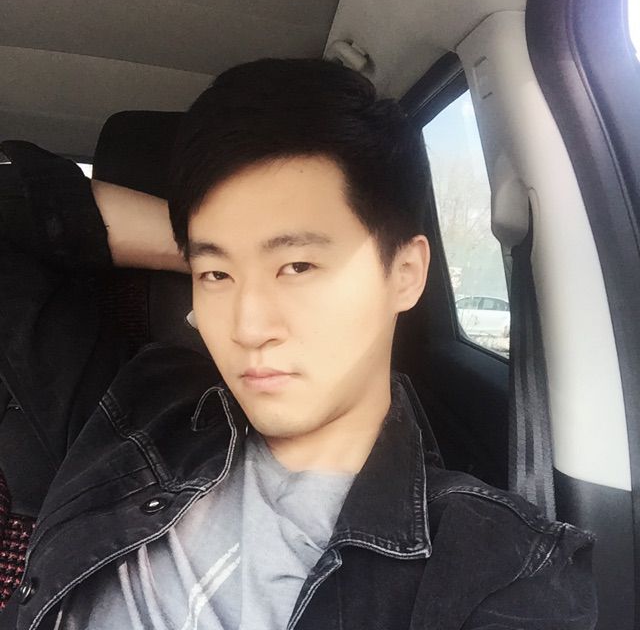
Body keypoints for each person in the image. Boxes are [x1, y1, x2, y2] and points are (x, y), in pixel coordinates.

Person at [0, 58, 596, 629]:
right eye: (215, 276)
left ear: (405, 273)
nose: (248, 327)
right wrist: (201, 245)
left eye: (299, 266)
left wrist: (229, 254)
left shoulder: (499, 567)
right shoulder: (136, 408)